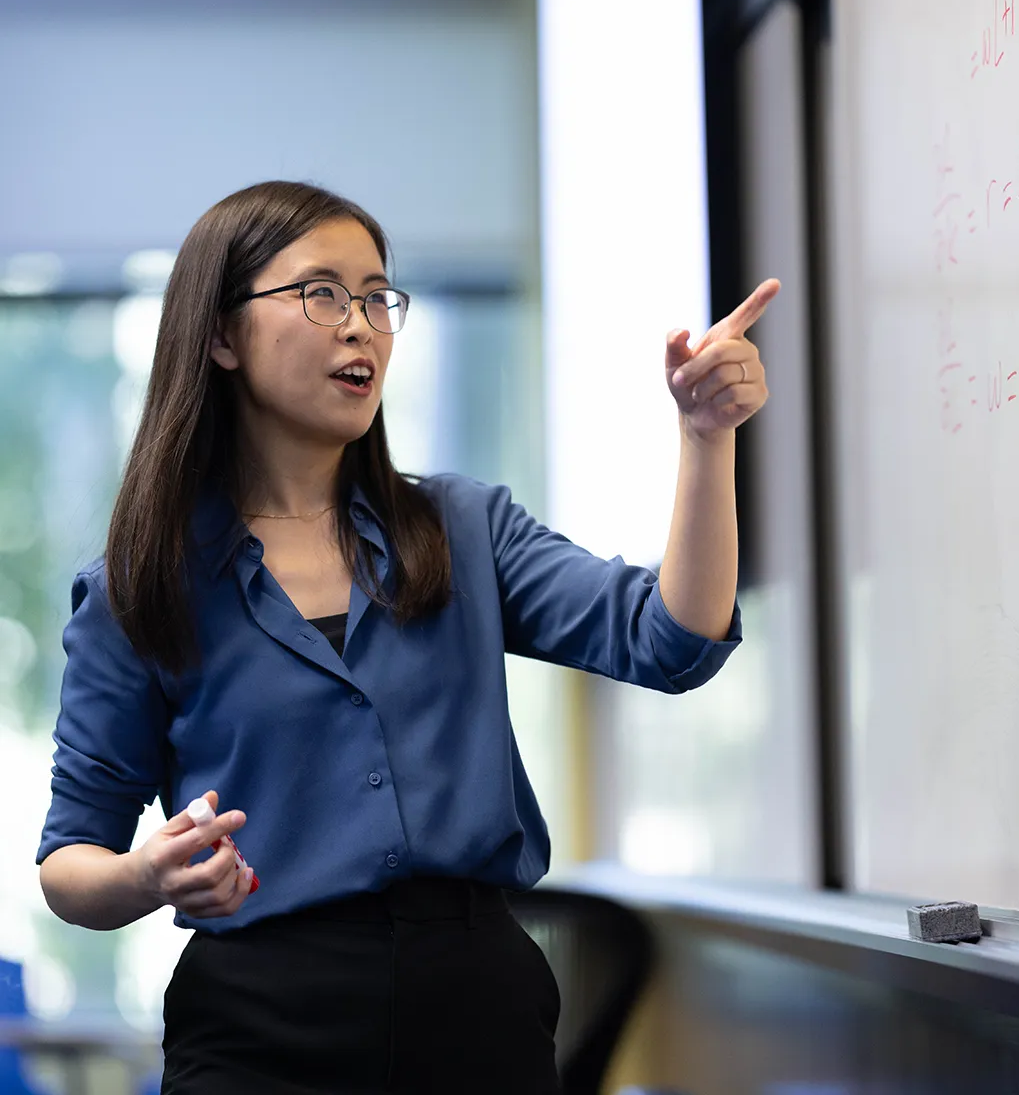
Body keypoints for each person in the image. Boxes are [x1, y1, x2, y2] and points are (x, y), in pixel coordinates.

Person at [35, 180, 776, 1094]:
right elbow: (71, 864)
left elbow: (672, 642)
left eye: (378, 297)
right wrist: (149, 877)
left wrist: (707, 439)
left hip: (475, 1010)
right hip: (257, 1028)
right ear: (221, 335)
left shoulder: (466, 527)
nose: (361, 326)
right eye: (322, 293)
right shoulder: (138, 586)